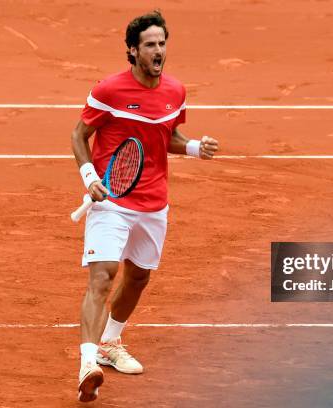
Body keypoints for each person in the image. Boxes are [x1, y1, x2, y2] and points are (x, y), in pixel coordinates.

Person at [70, 10, 219, 402]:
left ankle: (110, 343)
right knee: (103, 275)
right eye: (150, 44)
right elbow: (79, 134)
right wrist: (90, 179)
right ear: (132, 51)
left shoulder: (175, 91)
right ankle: (88, 363)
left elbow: (166, 135)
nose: (159, 51)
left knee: (138, 278)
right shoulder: (108, 91)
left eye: (162, 43)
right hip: (111, 200)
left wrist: (193, 147)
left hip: (154, 204)